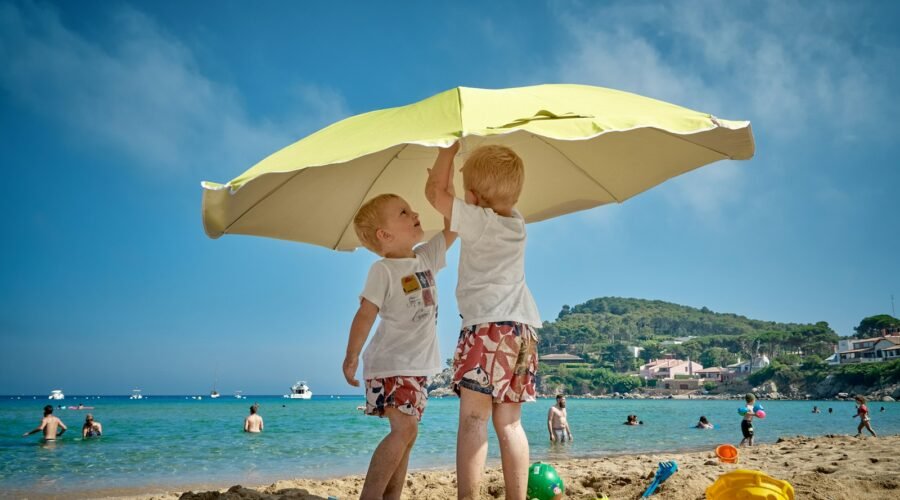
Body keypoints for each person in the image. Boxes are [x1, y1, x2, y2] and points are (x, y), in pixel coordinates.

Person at [426, 142, 542, 500]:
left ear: (474, 196)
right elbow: (451, 201)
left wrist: (447, 152)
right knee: (510, 423)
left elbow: (434, 193)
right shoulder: (517, 223)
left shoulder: (477, 221)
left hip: (486, 330)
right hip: (522, 331)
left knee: (474, 420)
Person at [342, 189, 456, 500]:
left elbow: (453, 225)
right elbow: (366, 314)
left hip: (417, 367)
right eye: (403, 213)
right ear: (385, 235)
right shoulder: (383, 270)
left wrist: (446, 187)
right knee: (403, 431)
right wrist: (351, 355)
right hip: (392, 363)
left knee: (409, 434)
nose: (415, 214)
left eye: (411, 209)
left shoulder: (426, 257)